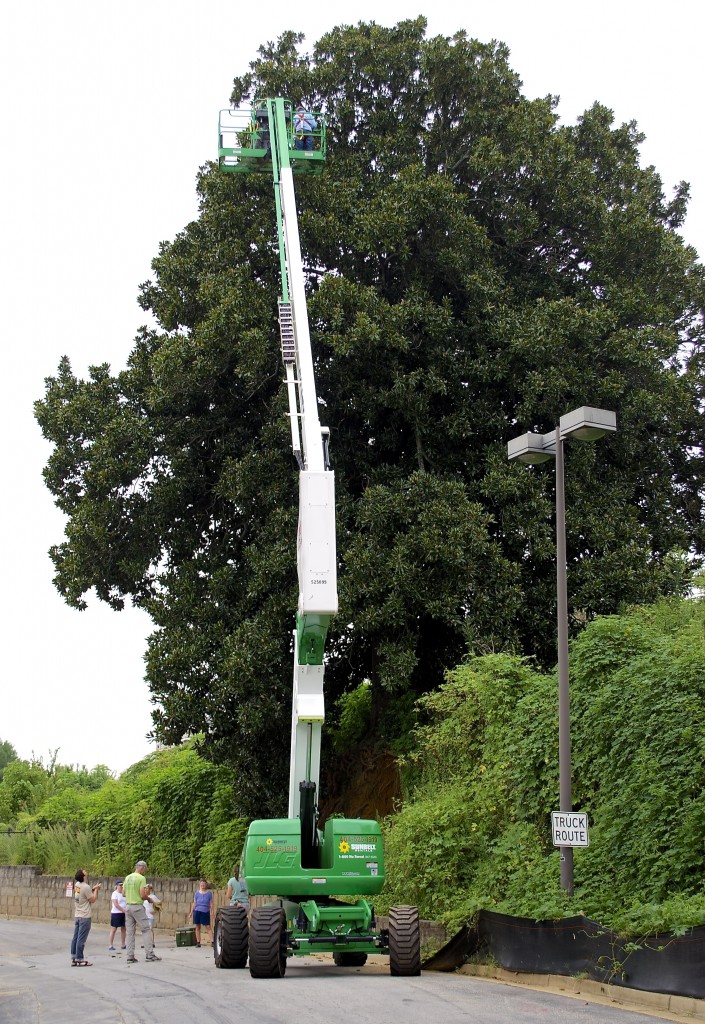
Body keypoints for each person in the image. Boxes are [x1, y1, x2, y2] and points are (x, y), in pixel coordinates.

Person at [123, 860, 161, 963]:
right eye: (145, 869)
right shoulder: (141, 878)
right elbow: (142, 895)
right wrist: (149, 899)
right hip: (137, 906)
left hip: (128, 906)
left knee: (130, 932)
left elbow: (123, 893)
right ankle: (149, 954)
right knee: (146, 929)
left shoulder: (127, 877)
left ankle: (130, 956)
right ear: (142, 868)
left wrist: (132, 894)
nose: (145, 871)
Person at [70, 868, 100, 966]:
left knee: (75, 937)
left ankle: (74, 956)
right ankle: (80, 958)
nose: (86, 874)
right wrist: (96, 890)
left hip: (78, 915)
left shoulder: (77, 885)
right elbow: (93, 899)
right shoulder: (86, 887)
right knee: (81, 939)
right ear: (83, 876)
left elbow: (84, 894)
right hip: (85, 916)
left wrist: (92, 888)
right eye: (85, 873)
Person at [191, 878, 214, 947]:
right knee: (197, 927)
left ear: (206, 885)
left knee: (208, 927)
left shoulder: (209, 893)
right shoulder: (197, 893)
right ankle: (198, 942)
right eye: (201, 884)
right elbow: (194, 903)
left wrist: (213, 912)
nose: (202, 885)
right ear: (200, 885)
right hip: (197, 911)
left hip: (205, 911)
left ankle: (212, 941)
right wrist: (191, 912)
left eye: (204, 884)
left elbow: (211, 904)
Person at [108, 880, 127, 952]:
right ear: (117, 886)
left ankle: (123, 944)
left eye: (122, 885)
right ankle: (110, 945)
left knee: (123, 928)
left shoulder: (124, 894)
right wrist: (122, 909)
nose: (121, 887)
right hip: (116, 913)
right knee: (114, 929)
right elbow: (115, 904)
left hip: (123, 913)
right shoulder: (114, 893)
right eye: (120, 885)